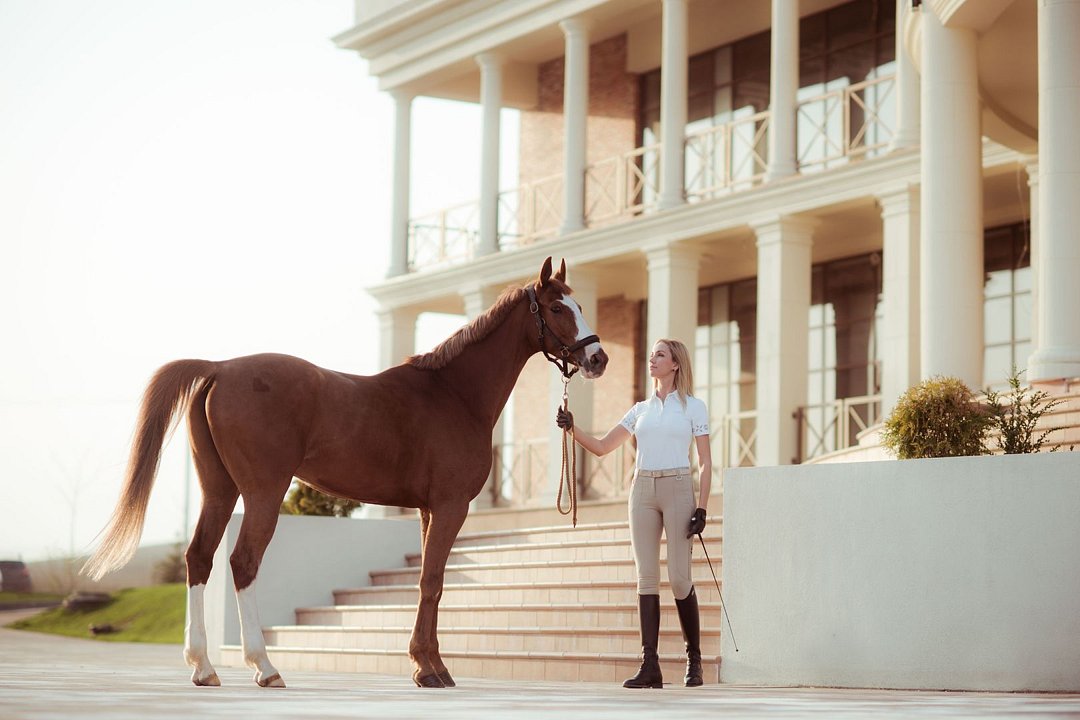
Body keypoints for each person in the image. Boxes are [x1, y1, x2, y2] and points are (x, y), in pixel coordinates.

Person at [555, 338, 711, 688]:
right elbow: (601, 447)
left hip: (679, 486)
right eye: (652, 353)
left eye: (660, 355)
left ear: (675, 364)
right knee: (646, 577)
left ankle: (694, 661)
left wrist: (702, 507)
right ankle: (650, 666)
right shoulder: (639, 410)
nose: (652, 359)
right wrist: (571, 427)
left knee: (680, 578)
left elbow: (705, 461)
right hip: (642, 490)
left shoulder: (693, 407)